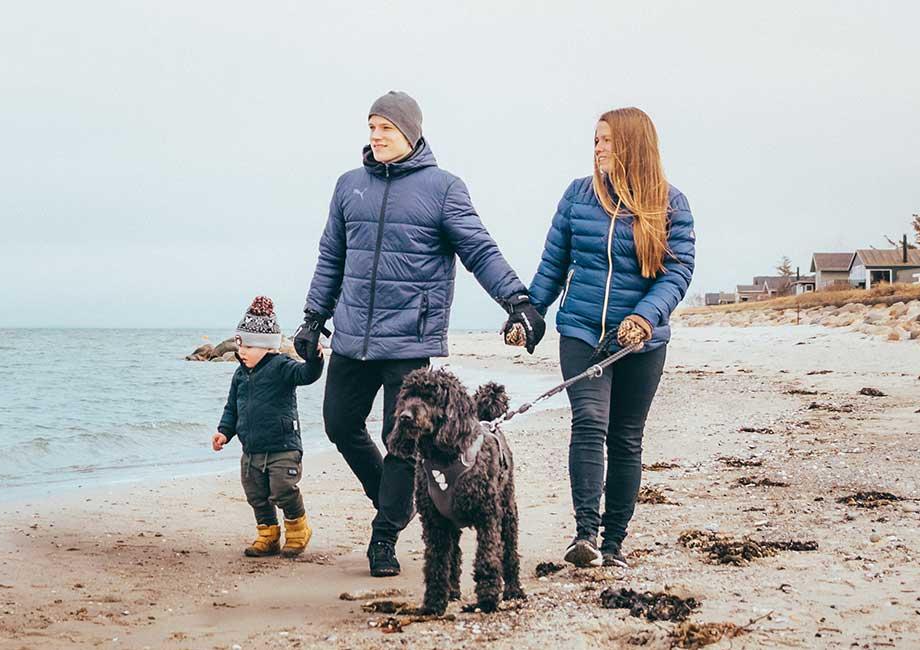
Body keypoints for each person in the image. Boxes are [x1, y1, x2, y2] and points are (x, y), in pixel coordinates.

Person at [293, 91, 545, 577]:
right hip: (351, 335)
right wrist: (311, 318)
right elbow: (331, 258)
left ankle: (383, 537)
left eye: (385, 127)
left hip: (409, 339)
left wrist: (518, 302)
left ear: (409, 132)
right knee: (339, 423)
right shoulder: (349, 187)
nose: (375, 136)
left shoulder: (443, 188)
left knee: (402, 441)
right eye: (370, 128)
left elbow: (479, 250)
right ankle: (398, 502)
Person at [520, 107, 696, 569]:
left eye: (607, 140)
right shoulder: (578, 197)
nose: (598, 148)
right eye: (596, 140)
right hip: (580, 331)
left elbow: (677, 273)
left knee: (625, 438)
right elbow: (552, 267)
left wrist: (645, 318)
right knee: (589, 421)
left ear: (633, 145)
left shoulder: (670, 204)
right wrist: (528, 315)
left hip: (640, 341)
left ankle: (615, 542)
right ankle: (585, 535)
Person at [214, 296, 325, 557]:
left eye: (250, 346)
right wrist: (223, 431)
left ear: (269, 347)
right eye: (241, 345)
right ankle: (268, 535)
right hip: (252, 449)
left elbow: (306, 375)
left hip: (283, 447)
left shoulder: (281, 366)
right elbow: (232, 407)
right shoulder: (240, 374)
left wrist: (315, 359)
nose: (242, 352)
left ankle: (298, 530)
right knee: (257, 495)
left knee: (283, 490)